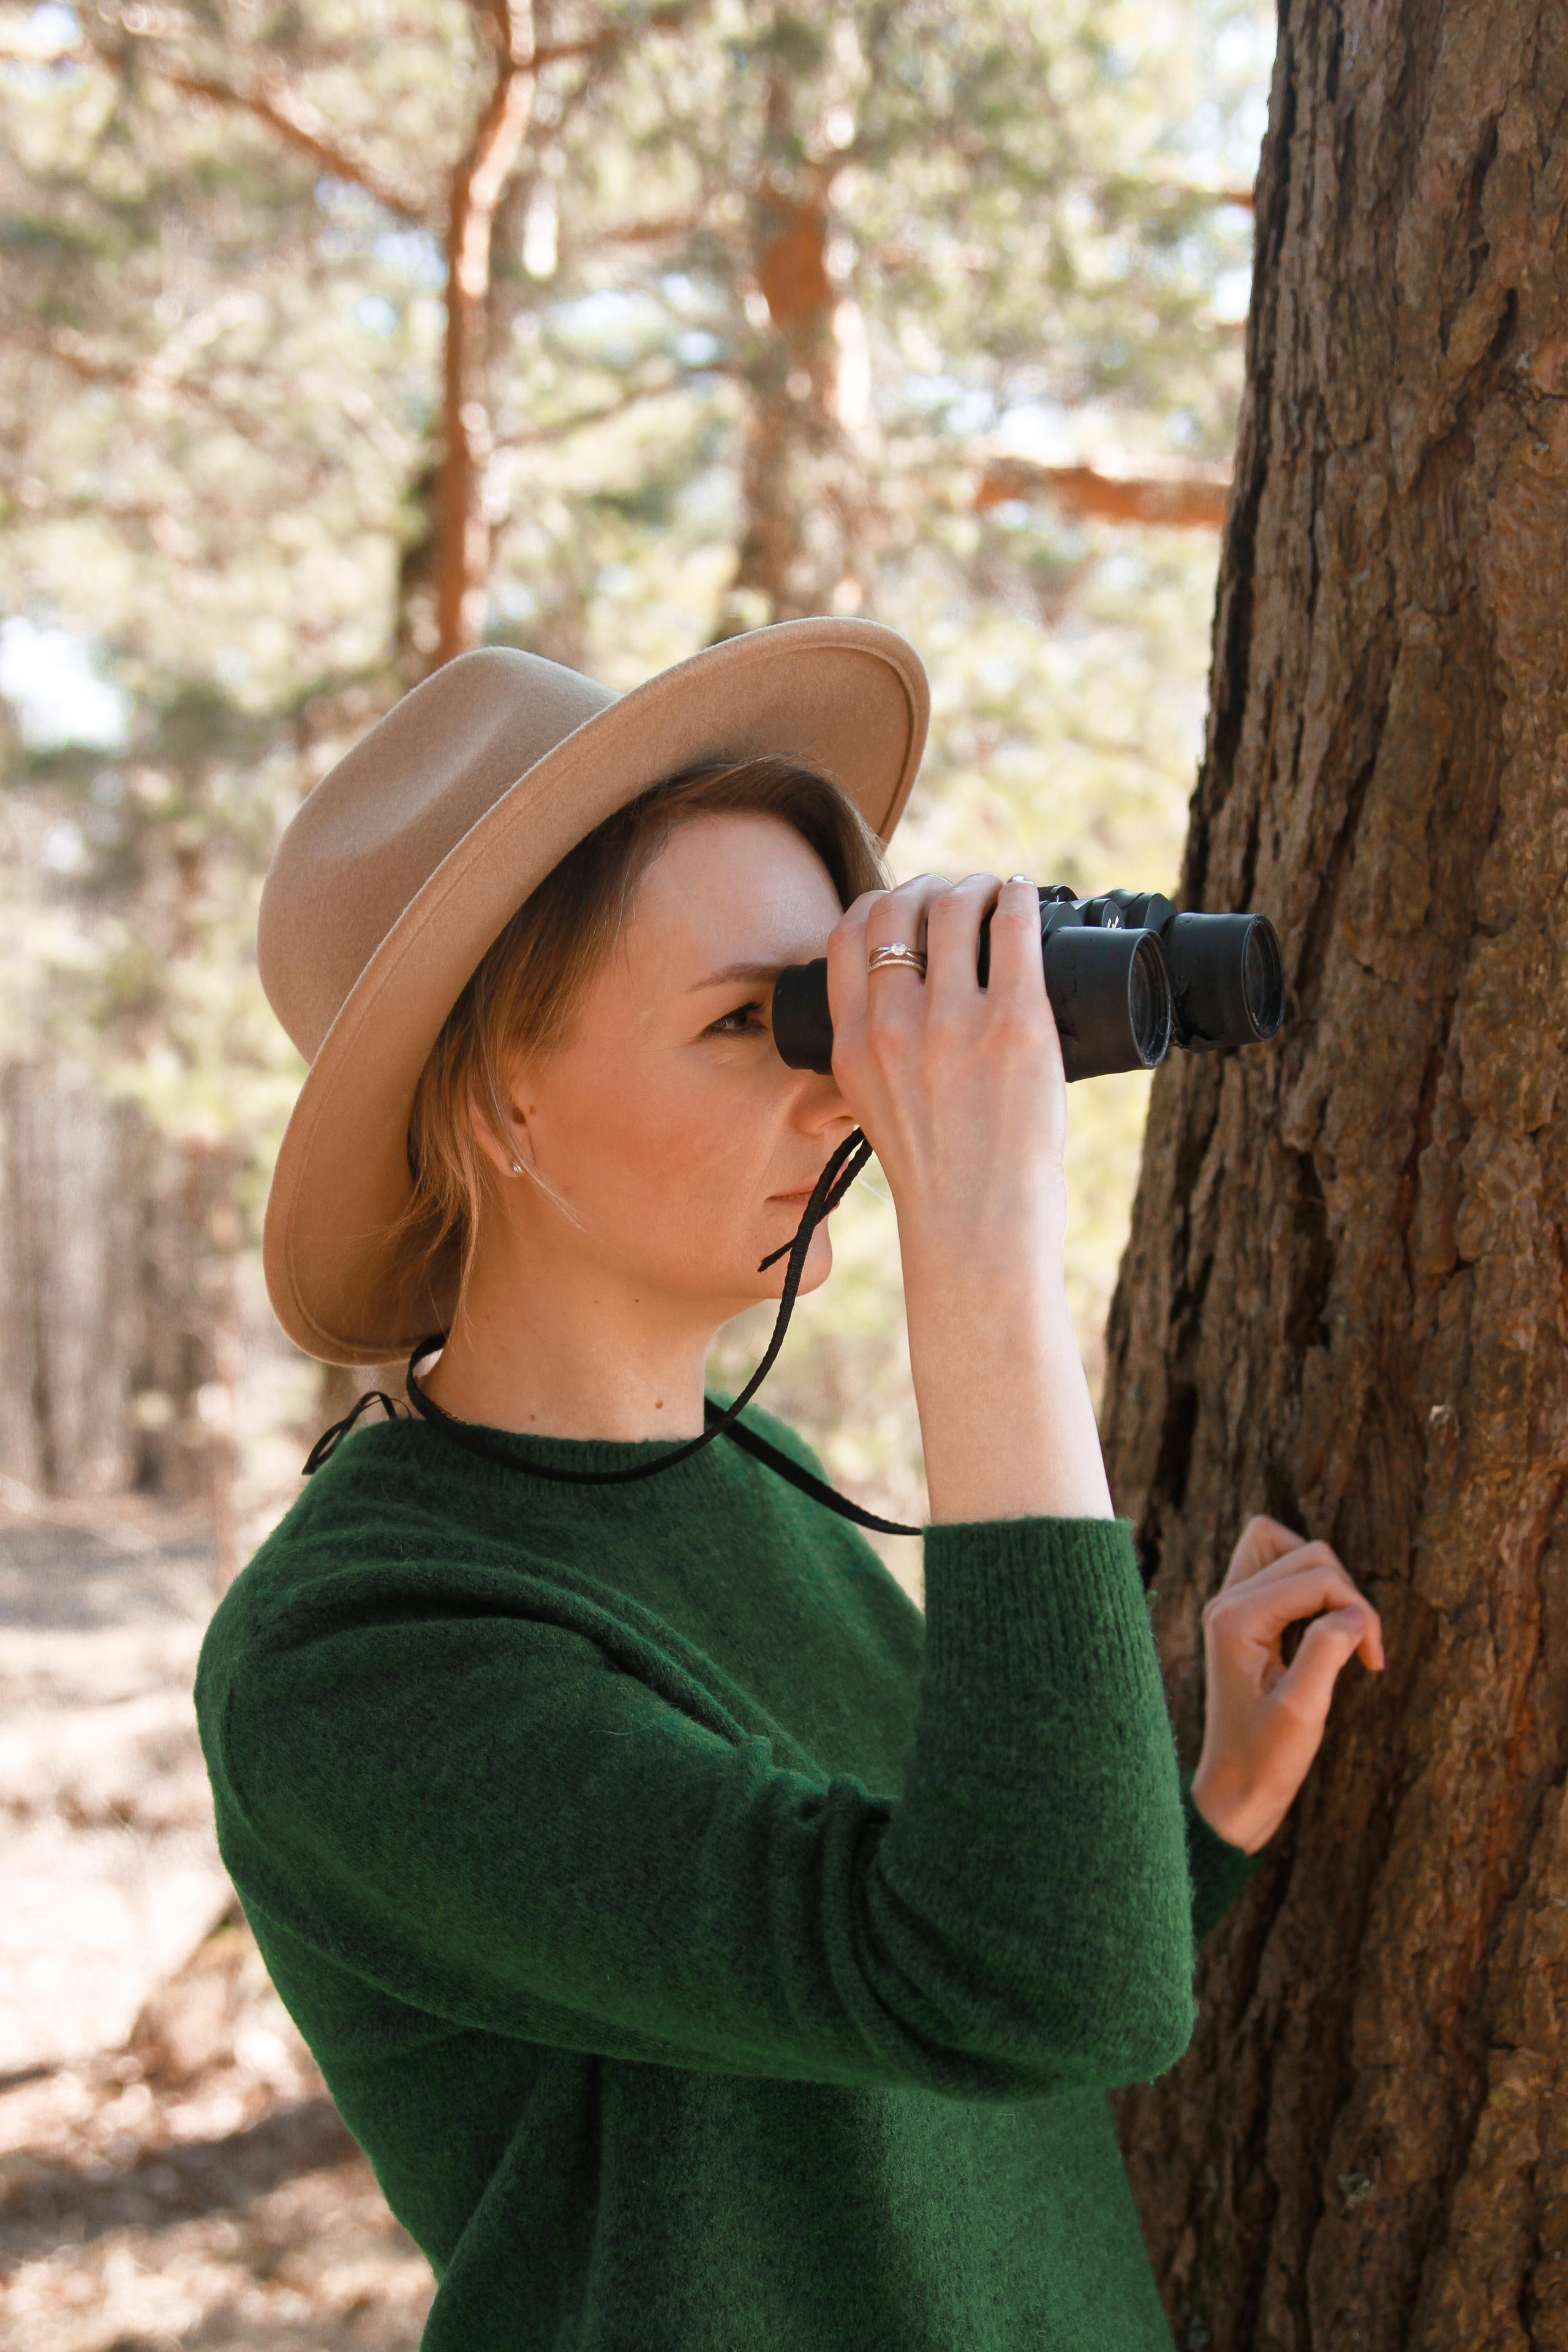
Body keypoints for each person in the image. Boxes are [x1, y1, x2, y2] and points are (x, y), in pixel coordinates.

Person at [196, 617, 1384, 2352]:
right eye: (758, 1023)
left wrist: (1195, 1825)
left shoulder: (761, 1473)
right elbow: (1036, 1979)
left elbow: (903, 1974)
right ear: (497, 1098)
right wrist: (979, 1241)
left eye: (837, 997)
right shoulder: (360, 1658)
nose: (846, 1088)